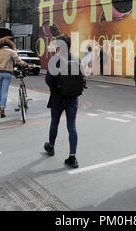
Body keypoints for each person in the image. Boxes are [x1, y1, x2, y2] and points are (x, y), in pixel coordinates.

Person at [44, 34, 86, 169]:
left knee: (54, 122)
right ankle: (72, 157)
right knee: (72, 126)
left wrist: (55, 89)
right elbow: (83, 79)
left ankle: (51, 147)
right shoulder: (76, 59)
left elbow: (48, 80)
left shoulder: (55, 60)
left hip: (57, 98)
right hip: (73, 98)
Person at [0, 36, 27, 118]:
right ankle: (2, 107)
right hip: (7, 73)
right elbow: (18, 61)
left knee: (0, 89)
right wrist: (26, 64)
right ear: (10, 44)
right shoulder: (11, 51)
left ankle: (0, 105)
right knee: (5, 91)